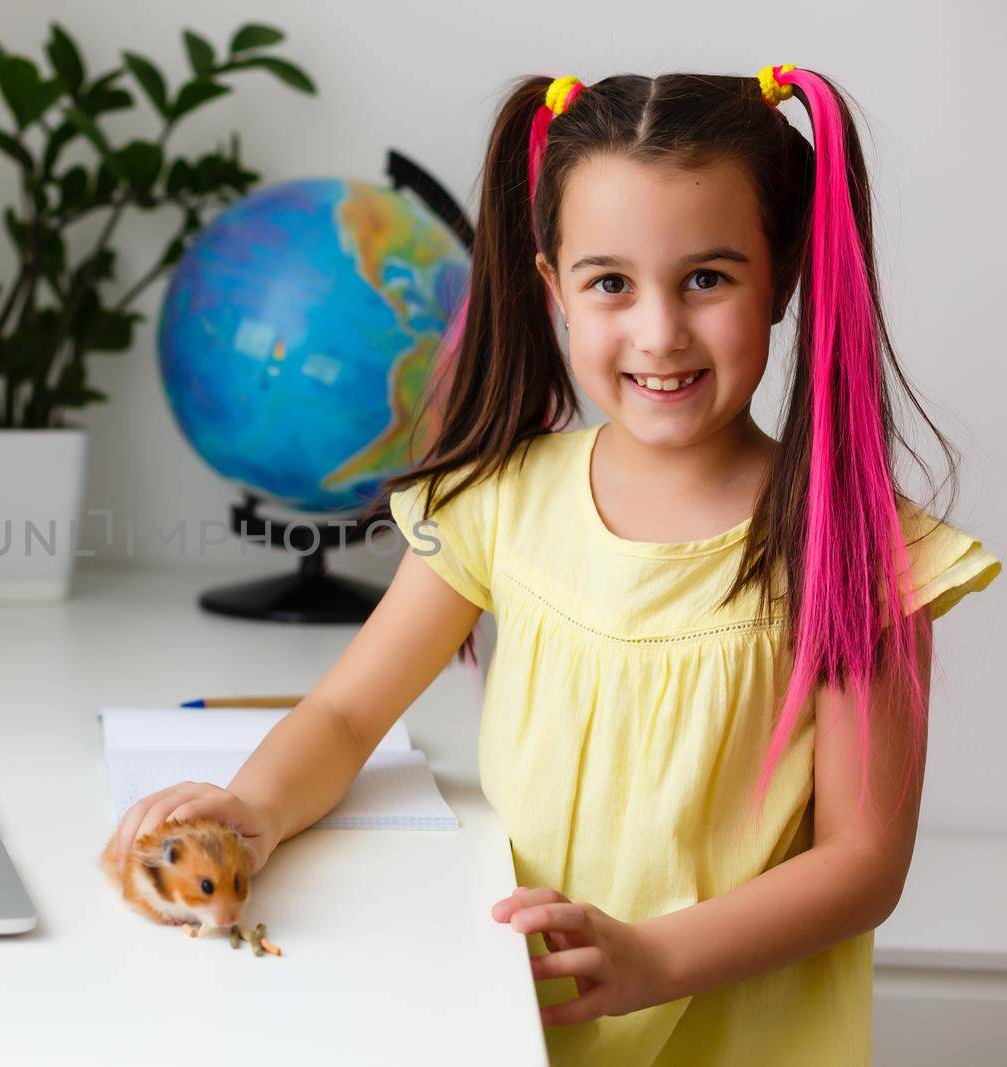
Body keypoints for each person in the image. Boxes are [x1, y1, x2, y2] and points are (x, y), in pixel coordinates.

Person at [111, 66, 1000, 1064]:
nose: (658, 331)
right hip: (511, 1018)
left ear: (782, 273)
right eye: (610, 282)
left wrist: (655, 957)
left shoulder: (857, 549)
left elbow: (861, 862)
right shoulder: (500, 499)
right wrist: (256, 805)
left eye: (707, 277)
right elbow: (348, 713)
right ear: (552, 287)